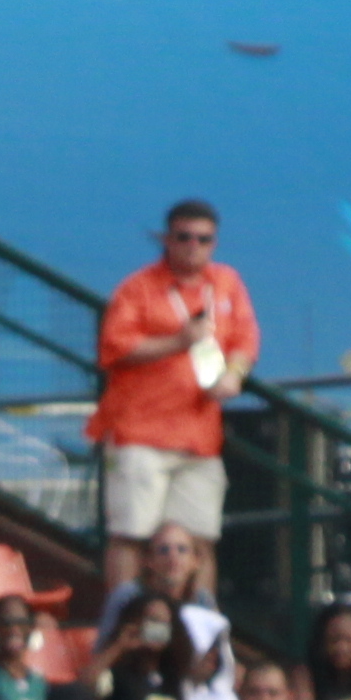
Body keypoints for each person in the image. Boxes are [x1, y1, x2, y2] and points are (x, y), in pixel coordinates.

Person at [91, 197, 253, 594]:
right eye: (184, 237)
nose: (193, 246)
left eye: (204, 239)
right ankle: (126, 623)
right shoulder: (138, 288)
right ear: (166, 239)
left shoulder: (227, 282)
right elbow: (115, 348)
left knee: (199, 541)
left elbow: (246, 337)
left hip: (200, 438)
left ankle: (201, 637)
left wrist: (234, 375)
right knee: (132, 535)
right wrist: (178, 341)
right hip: (139, 433)